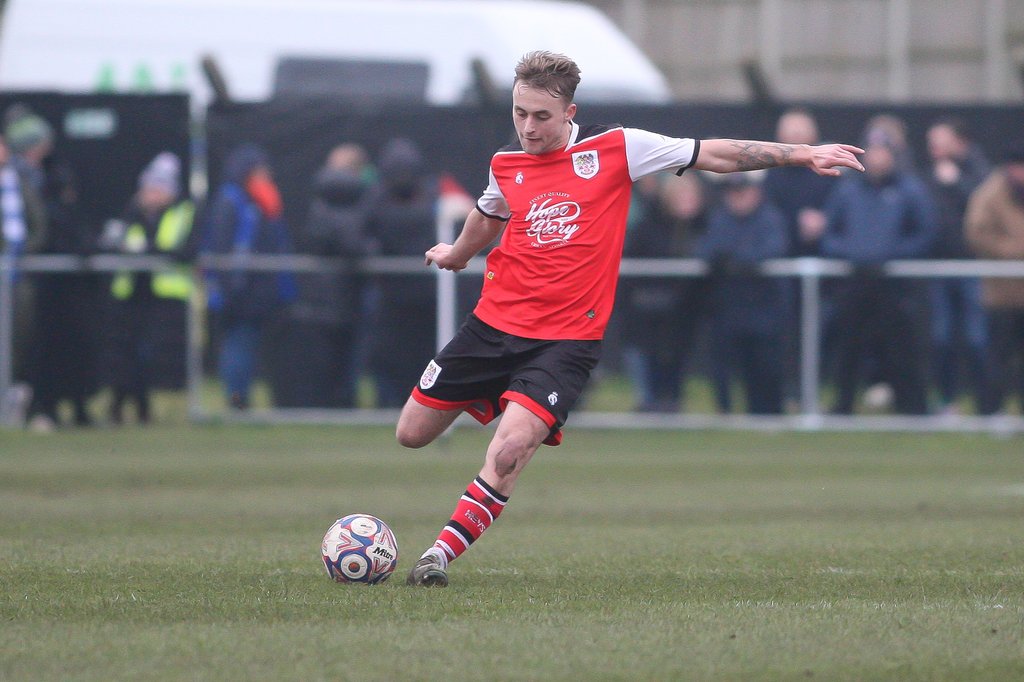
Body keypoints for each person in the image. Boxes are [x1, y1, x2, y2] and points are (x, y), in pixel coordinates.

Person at [396, 51, 864, 587]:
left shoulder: (617, 147)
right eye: (520, 113)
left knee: (507, 451)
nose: (528, 126)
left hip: (565, 341)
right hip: (492, 325)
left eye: (541, 116)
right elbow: (490, 211)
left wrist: (801, 154)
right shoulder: (507, 163)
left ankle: (437, 557)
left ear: (570, 111)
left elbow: (715, 154)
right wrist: (458, 254)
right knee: (411, 433)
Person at [820, 126, 937, 415]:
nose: (878, 158)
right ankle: (843, 406)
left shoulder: (909, 189)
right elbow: (829, 233)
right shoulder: (847, 188)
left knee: (902, 349)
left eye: (883, 152)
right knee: (849, 348)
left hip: (894, 285)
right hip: (855, 281)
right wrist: (852, 254)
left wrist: (891, 256)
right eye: (872, 152)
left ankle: (912, 409)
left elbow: (925, 234)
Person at [6, 104, 99, 430]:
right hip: (24, 277)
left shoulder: (50, 174)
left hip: (37, 279)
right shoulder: (17, 179)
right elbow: (35, 227)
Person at [279, 143, 377, 408]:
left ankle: (325, 405)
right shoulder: (360, 201)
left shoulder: (316, 201)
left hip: (316, 295)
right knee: (346, 360)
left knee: (323, 361)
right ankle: (341, 405)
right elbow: (355, 246)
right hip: (347, 294)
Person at [102, 152, 196, 424]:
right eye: (147, 187)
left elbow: (186, 251)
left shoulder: (182, 212)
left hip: (163, 297)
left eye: (157, 188)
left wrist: (148, 250)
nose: (150, 194)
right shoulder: (132, 213)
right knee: (125, 354)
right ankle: (122, 407)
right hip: (130, 294)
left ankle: (140, 408)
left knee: (148, 355)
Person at [201, 143, 296, 410]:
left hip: (258, 293)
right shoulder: (231, 200)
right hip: (239, 293)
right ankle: (237, 398)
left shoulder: (260, 200)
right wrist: (228, 288)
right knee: (238, 345)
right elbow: (222, 248)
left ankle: (242, 397)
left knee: (247, 346)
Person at [697, 171, 790, 414]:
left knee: (763, 366)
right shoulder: (719, 218)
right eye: (733, 193)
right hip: (728, 306)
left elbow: (772, 249)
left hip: (763, 308)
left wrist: (734, 260)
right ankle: (725, 413)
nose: (738, 198)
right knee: (722, 366)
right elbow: (707, 251)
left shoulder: (769, 218)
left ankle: (767, 413)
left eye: (743, 192)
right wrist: (732, 259)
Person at [619, 172, 710, 412]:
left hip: (685, 307)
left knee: (677, 354)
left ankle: (673, 399)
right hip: (648, 305)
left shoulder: (704, 225)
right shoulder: (650, 224)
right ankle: (649, 400)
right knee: (646, 353)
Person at [923, 118, 994, 414]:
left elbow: (982, 211)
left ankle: (988, 407)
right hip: (938, 267)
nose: (934, 148)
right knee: (941, 339)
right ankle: (946, 403)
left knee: (978, 339)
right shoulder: (928, 175)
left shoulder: (979, 170)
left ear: (958, 141)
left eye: (940, 140)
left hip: (971, 267)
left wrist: (956, 184)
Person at [964, 143, 1024, 416]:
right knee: (996, 356)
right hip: (1000, 293)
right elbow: (976, 233)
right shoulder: (989, 193)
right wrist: (1014, 252)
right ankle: (990, 413)